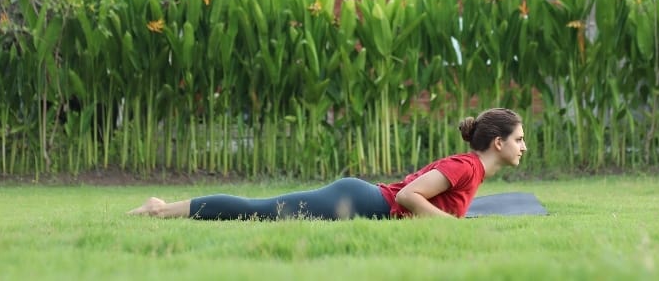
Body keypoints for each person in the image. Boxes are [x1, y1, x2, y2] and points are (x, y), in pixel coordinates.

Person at [127, 107, 526, 220]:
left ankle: (162, 208)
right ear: (497, 142)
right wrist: (451, 228)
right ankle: (159, 209)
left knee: (260, 210)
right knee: (258, 211)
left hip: (363, 200)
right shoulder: (468, 167)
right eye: (518, 139)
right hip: (359, 201)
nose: (523, 147)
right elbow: (408, 196)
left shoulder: (472, 170)